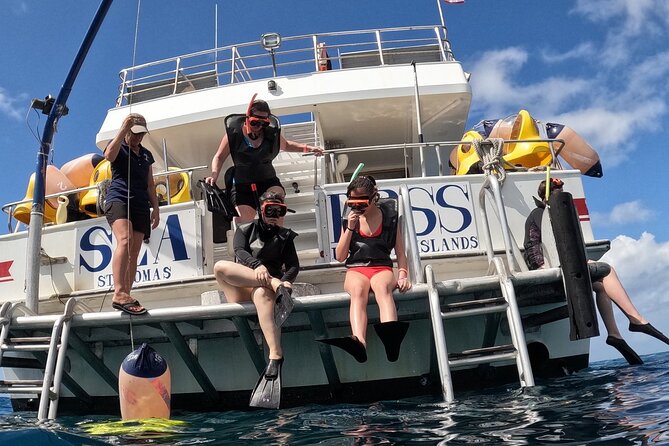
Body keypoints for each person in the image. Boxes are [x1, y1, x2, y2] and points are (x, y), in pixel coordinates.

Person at [524, 178, 669, 365]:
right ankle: (636, 320)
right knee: (606, 270)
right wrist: (543, 267)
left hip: (560, 265)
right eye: (558, 191)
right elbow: (534, 247)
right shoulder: (540, 214)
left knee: (600, 286)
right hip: (547, 270)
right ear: (548, 196)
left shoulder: (552, 214)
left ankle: (615, 334)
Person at [212, 191, 298, 409]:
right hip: (242, 285)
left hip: (263, 292)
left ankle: (275, 356)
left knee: (262, 292)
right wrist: (260, 269)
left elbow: (294, 265)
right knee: (219, 267)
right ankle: (272, 283)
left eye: (280, 212)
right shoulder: (244, 230)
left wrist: (287, 280)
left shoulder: (286, 237)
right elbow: (239, 251)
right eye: (270, 210)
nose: (274, 216)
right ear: (261, 210)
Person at [319, 175, 412, 363]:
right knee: (358, 291)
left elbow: (400, 252)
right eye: (354, 202)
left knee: (383, 288)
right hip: (356, 268)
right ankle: (359, 342)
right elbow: (340, 256)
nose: (358, 207)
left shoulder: (390, 217)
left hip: (381, 267)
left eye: (363, 202)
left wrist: (402, 274)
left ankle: (391, 337)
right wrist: (350, 228)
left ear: (374, 197)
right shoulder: (349, 219)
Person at [205, 94, 324, 223]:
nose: (259, 126)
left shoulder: (270, 133)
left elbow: (287, 145)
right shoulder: (234, 135)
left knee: (275, 205)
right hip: (242, 185)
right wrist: (214, 175)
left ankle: (276, 239)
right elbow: (219, 157)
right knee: (241, 221)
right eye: (255, 122)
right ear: (247, 118)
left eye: (264, 123)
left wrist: (309, 148)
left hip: (267, 180)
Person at [104, 113, 159, 316]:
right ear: (127, 131)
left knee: (135, 250)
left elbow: (150, 184)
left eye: (141, 134)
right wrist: (122, 131)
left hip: (140, 203)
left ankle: (126, 294)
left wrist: (156, 209)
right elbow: (109, 156)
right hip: (119, 198)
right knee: (125, 241)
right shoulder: (118, 145)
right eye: (134, 133)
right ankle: (118, 292)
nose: (138, 138)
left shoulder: (146, 155)